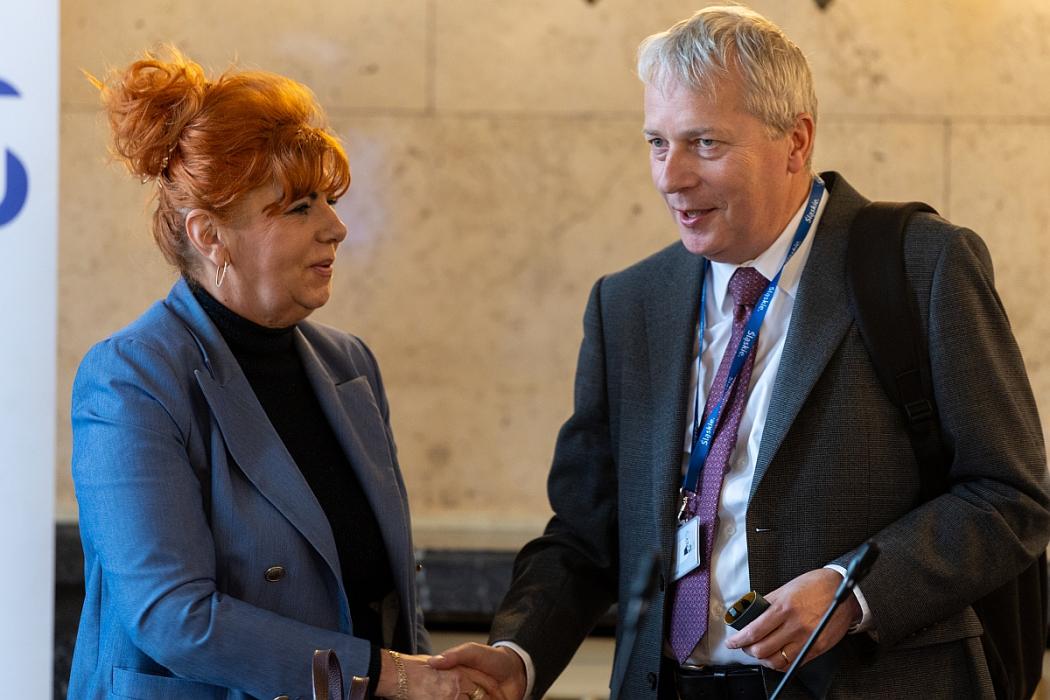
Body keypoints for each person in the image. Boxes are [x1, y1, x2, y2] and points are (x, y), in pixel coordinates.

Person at [431, 5, 1050, 699]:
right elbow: (586, 532)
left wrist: (852, 592)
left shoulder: (922, 267)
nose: (671, 178)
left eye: (704, 143)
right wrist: (518, 653)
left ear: (795, 141)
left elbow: (1010, 497)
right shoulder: (629, 304)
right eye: (657, 143)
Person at [67, 49, 500, 700]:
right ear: (210, 235)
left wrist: (427, 679)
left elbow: (387, 603)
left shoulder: (349, 363)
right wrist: (393, 676)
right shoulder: (131, 379)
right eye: (299, 207)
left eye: (330, 200)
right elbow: (174, 618)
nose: (337, 227)